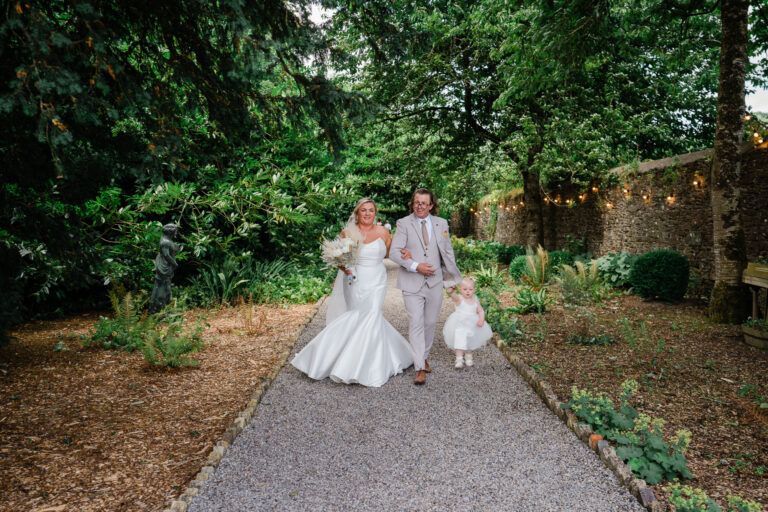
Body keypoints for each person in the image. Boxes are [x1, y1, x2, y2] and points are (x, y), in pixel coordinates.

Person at [291, 198, 414, 387]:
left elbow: (390, 254)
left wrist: (405, 253)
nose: (367, 213)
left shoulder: (383, 231)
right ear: (357, 213)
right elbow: (337, 257)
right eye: (363, 210)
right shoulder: (348, 232)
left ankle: (365, 367)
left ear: (375, 213)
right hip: (355, 281)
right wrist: (347, 270)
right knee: (356, 316)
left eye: (371, 210)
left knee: (372, 315)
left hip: (377, 280)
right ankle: (331, 358)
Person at [389, 188, 462, 385]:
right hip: (412, 283)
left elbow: (447, 253)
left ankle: (424, 355)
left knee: (430, 323)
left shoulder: (442, 223)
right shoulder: (403, 223)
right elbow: (394, 253)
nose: (419, 206)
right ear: (412, 204)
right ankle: (419, 366)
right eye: (416, 202)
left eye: (424, 203)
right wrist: (415, 265)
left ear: (431, 205)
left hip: (435, 282)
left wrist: (450, 281)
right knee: (416, 323)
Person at [443, 277, 492, 369]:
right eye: (465, 289)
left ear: (474, 290)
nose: (468, 292)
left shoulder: (475, 300)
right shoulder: (459, 299)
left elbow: (480, 311)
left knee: (470, 342)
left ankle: (469, 358)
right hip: (460, 324)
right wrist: (451, 292)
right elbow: (454, 296)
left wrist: (481, 320)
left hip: (472, 325)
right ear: (460, 290)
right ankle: (459, 360)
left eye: (470, 289)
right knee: (459, 341)